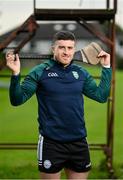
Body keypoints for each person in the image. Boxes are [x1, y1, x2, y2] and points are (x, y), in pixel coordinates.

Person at [6, 30, 112, 179]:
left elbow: (101, 96)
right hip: (51, 143)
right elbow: (17, 100)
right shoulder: (39, 72)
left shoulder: (81, 73)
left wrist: (106, 67)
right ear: (53, 49)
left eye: (70, 48)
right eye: (61, 47)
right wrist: (16, 74)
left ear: (74, 50)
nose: (66, 52)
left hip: (79, 141)